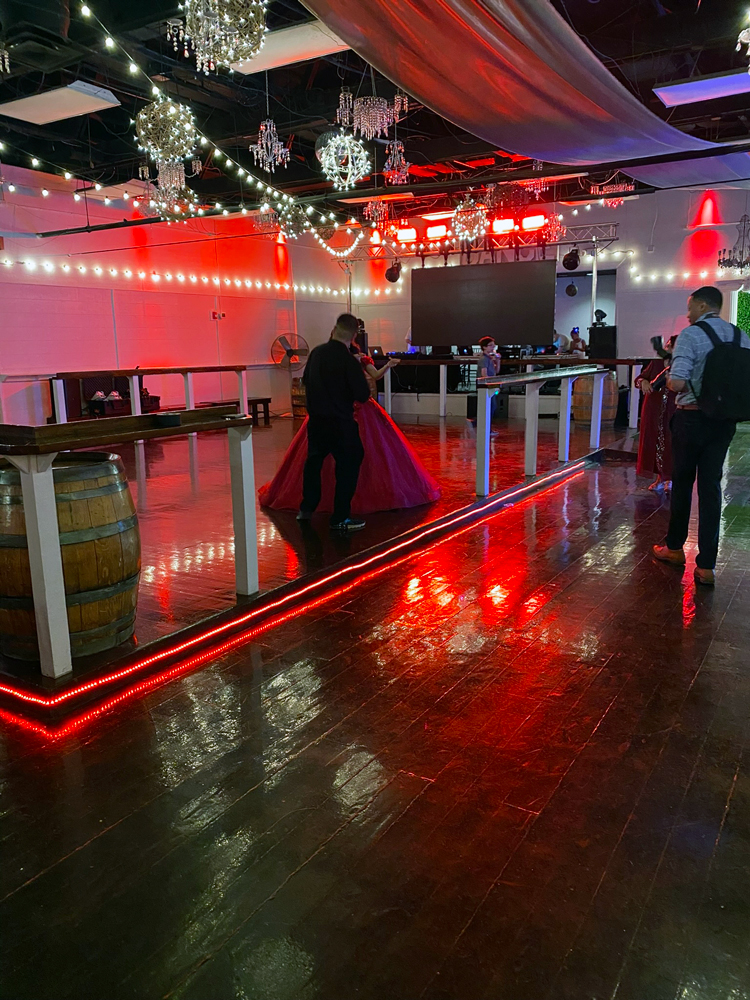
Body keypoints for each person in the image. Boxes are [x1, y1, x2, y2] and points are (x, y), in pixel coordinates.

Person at [259, 324, 441, 520]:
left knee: (322, 459)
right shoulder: (339, 359)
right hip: (344, 410)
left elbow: (372, 376)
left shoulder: (335, 357)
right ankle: (339, 514)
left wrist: (387, 366)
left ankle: (313, 508)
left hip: (333, 411)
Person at [652, 286, 750, 585]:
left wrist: (668, 375)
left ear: (703, 304)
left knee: (682, 482)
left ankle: (674, 548)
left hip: (692, 419)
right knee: (711, 487)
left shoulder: (691, 335)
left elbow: (679, 383)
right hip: (724, 421)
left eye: (690, 306)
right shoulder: (740, 335)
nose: (687, 312)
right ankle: (706, 565)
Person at [297, 313, 369, 532]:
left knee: (314, 464)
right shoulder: (348, 360)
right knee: (349, 463)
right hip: (341, 423)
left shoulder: (317, 353)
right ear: (354, 334)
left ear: (334, 329)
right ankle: (340, 517)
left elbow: (304, 381)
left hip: (316, 421)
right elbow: (363, 394)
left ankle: (306, 510)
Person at [635, 335, 677, 492]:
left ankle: (670, 478)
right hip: (653, 411)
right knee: (654, 442)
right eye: (666, 347)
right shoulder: (657, 363)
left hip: (673, 411)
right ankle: (660, 477)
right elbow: (639, 379)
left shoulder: (681, 365)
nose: (667, 349)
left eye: (670, 347)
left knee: (671, 443)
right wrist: (644, 382)